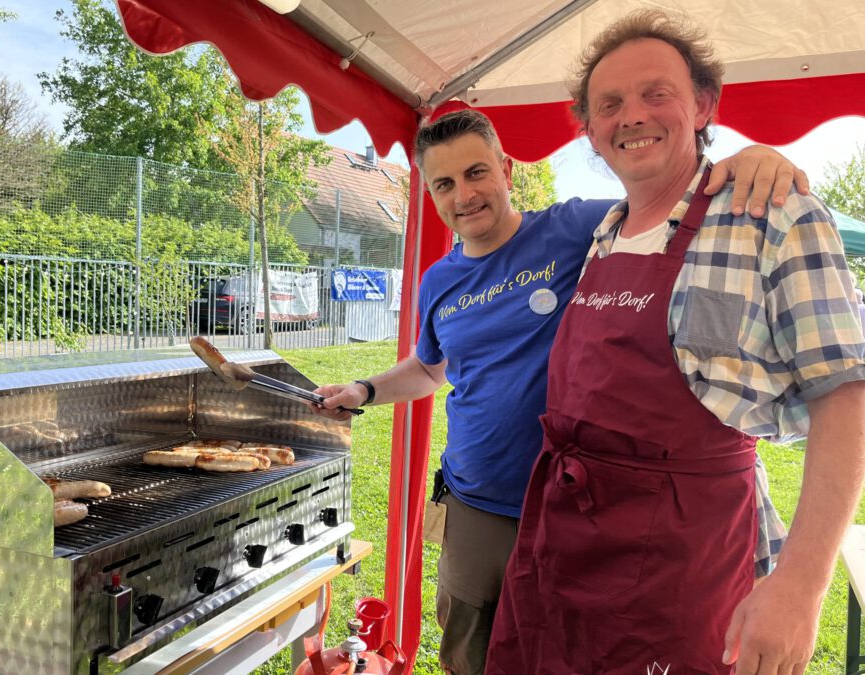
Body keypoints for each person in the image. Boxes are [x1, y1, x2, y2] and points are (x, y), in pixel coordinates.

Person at [312, 108, 806, 674]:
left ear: (506, 170)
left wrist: (744, 165)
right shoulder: (439, 281)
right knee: (470, 648)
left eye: (477, 173)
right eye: (444, 184)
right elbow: (431, 369)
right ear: (430, 192)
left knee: (564, 648)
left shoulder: (573, 228)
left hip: (578, 503)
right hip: (476, 502)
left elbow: (669, 206)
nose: (464, 195)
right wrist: (363, 389)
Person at [485, 10, 865, 675]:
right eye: (610, 104)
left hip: (682, 573)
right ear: (592, 133)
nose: (631, 115)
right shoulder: (602, 231)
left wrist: (803, 586)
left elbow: (848, 394)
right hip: (563, 548)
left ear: (702, 105)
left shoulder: (771, 212)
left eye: (655, 93)